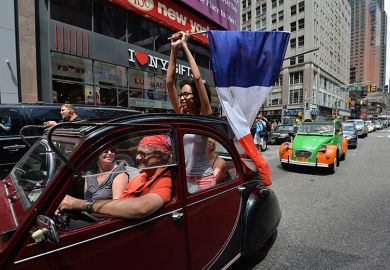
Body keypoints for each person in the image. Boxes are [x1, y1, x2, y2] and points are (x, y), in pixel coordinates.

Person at [57, 135, 172, 219]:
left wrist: (77, 204)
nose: (137, 158)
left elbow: (141, 208)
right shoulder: (141, 177)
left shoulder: (165, 180)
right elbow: (118, 205)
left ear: (161, 157)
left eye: (144, 154)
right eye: (138, 153)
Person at [166, 31, 215, 192]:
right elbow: (169, 82)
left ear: (197, 97)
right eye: (181, 94)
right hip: (185, 178)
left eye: (186, 94)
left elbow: (197, 79)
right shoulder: (181, 113)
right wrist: (174, 49)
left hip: (204, 179)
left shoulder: (204, 114)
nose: (182, 97)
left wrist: (185, 46)